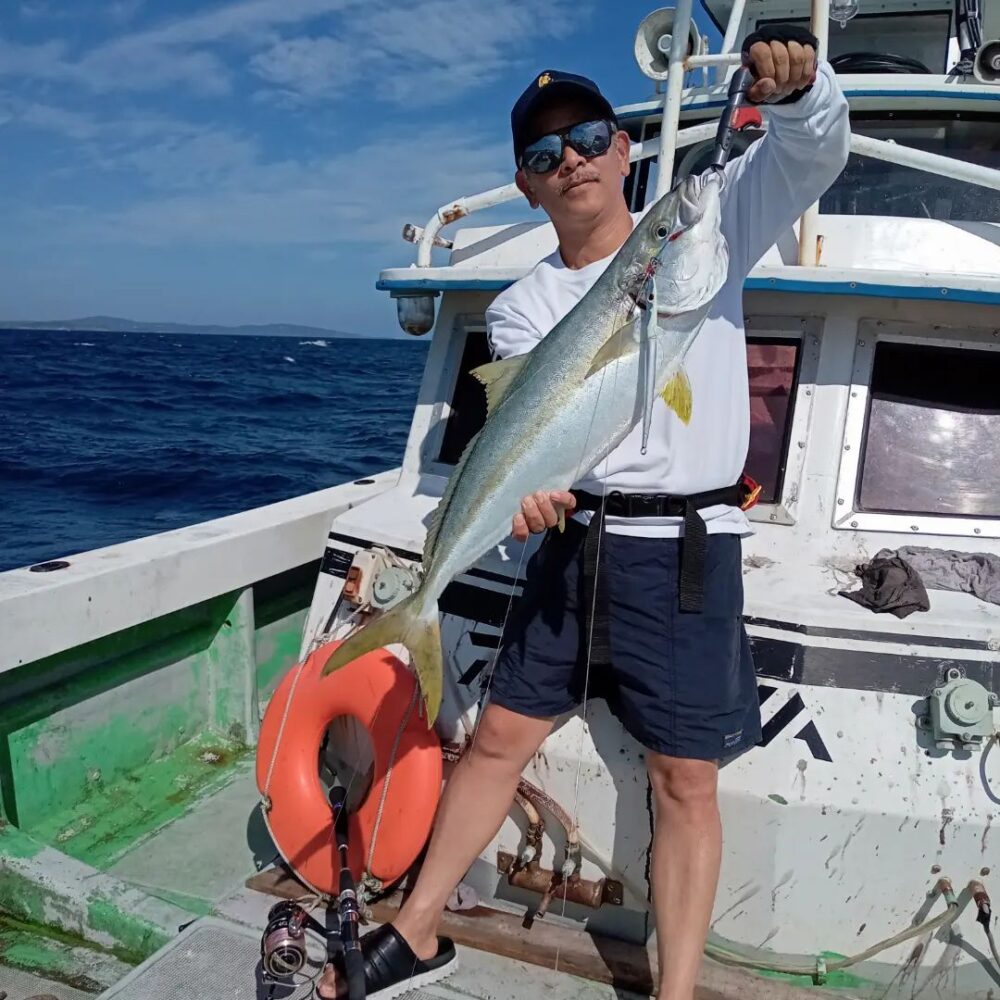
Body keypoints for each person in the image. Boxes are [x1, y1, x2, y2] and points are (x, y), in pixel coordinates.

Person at [317, 23, 850, 1000]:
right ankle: (419, 926)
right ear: (527, 183)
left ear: (623, 149)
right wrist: (522, 501)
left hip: (685, 549)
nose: (568, 159)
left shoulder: (712, 224)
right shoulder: (523, 306)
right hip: (567, 545)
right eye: (540, 152)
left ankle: (674, 989)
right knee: (496, 741)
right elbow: (534, 436)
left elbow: (814, 150)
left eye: (587, 137)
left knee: (685, 780)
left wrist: (802, 91)